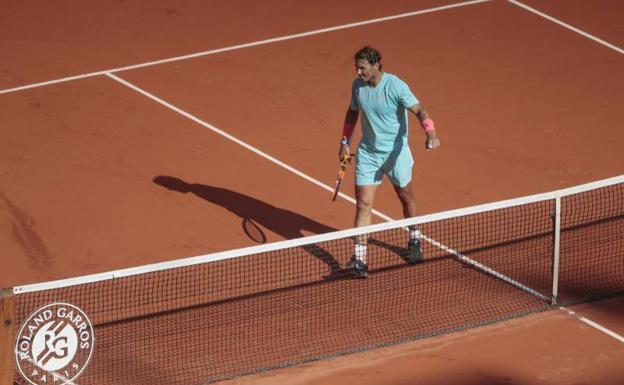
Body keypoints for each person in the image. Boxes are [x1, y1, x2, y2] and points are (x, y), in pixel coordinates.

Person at [339, 46, 440, 278]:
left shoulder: (396, 86)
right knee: (363, 205)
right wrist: (345, 140)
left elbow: (419, 110)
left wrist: (431, 133)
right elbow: (352, 112)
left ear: (376, 65)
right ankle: (360, 258)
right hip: (368, 153)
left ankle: (415, 238)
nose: (358, 72)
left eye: (362, 67)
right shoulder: (358, 86)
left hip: (396, 153)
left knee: (406, 197)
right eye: (357, 67)